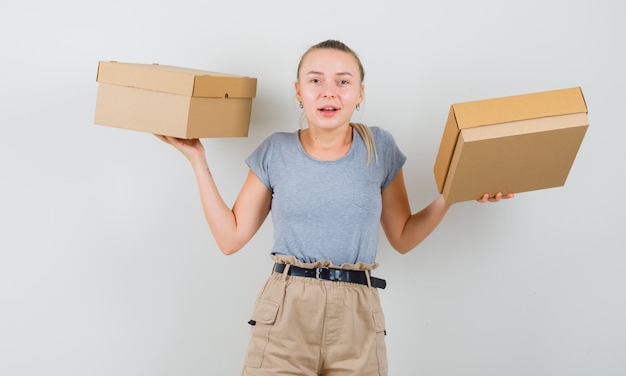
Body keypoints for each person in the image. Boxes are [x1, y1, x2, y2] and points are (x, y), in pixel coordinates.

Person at [155, 39, 513, 376]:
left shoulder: (380, 148)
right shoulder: (275, 151)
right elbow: (229, 239)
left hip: (357, 316)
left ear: (360, 94)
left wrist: (452, 194)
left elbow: (403, 237)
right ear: (298, 92)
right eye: (315, 80)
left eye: (343, 81)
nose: (329, 91)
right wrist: (197, 159)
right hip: (285, 313)